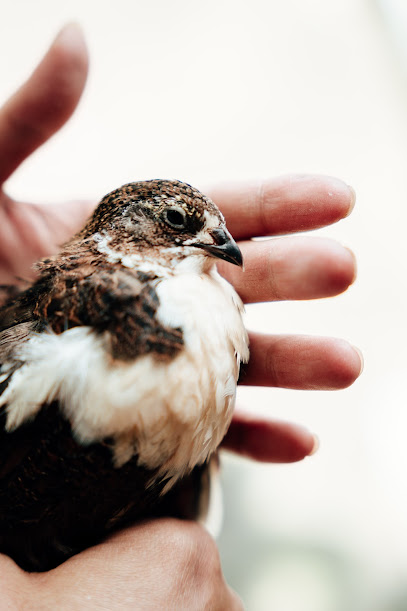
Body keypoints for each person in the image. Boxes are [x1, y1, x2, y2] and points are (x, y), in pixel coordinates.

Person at [0, 24, 362, 609]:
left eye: (210, 230)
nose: (216, 242)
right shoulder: (76, 318)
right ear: (122, 230)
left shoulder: (209, 309)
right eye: (176, 222)